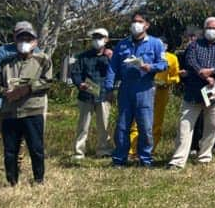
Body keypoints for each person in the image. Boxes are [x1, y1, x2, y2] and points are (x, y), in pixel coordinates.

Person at [167, 16, 215, 169]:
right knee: (184, 126)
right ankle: (178, 160)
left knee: (212, 126)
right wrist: (202, 73)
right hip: (193, 92)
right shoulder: (194, 45)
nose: (212, 30)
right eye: (209, 27)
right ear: (204, 29)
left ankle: (204, 157)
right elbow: (190, 61)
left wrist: (212, 72)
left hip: (214, 91)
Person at [105, 12, 167, 167]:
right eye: (133, 21)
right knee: (122, 126)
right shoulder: (122, 44)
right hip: (125, 89)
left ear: (146, 25)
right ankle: (119, 159)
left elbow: (164, 64)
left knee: (145, 126)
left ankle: (145, 159)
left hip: (145, 88)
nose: (136, 24)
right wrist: (109, 87)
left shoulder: (156, 43)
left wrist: (150, 67)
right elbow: (113, 67)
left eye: (139, 21)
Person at [0, 22, 53, 186]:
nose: (24, 42)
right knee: (10, 151)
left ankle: (39, 180)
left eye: (28, 38)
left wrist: (26, 89)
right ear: (15, 39)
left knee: (36, 148)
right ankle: (12, 181)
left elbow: (48, 81)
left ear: (35, 41)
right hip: (10, 112)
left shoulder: (43, 60)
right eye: (21, 38)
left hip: (32, 111)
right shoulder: (5, 62)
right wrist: (5, 92)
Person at [0, 24, 39, 173]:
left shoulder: (37, 51)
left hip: (23, 101)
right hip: (2, 99)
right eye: (20, 34)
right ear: (14, 35)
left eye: (28, 36)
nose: (24, 38)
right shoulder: (4, 50)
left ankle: (17, 164)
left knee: (20, 136)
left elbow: (38, 72)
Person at [127, 39, 180, 159]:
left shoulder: (171, 58)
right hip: (144, 90)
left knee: (157, 122)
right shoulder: (147, 54)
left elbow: (176, 76)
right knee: (137, 121)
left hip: (162, 92)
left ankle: (151, 149)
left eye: (163, 44)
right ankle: (132, 150)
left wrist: (167, 82)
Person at [71, 27, 113, 159]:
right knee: (82, 126)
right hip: (86, 95)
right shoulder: (83, 56)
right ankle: (79, 151)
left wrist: (111, 58)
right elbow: (75, 73)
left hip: (104, 95)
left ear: (106, 40)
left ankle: (104, 150)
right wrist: (80, 84)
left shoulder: (111, 56)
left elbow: (116, 73)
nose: (97, 40)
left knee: (103, 125)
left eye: (100, 37)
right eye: (94, 37)